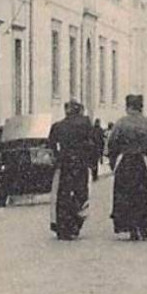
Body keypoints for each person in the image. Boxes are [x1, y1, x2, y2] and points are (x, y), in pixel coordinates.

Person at [108, 95, 147, 241]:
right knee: (144, 194)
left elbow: (112, 143)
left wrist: (113, 162)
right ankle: (143, 224)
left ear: (128, 106)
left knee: (125, 194)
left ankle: (129, 225)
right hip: (144, 162)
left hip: (125, 161)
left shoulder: (120, 123)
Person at [48, 101, 95, 240]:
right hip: (80, 164)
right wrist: (91, 161)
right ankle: (76, 223)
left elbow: (51, 145)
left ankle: (63, 226)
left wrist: (58, 157)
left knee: (63, 195)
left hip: (64, 164)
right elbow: (93, 143)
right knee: (81, 193)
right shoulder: (85, 123)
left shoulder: (57, 126)